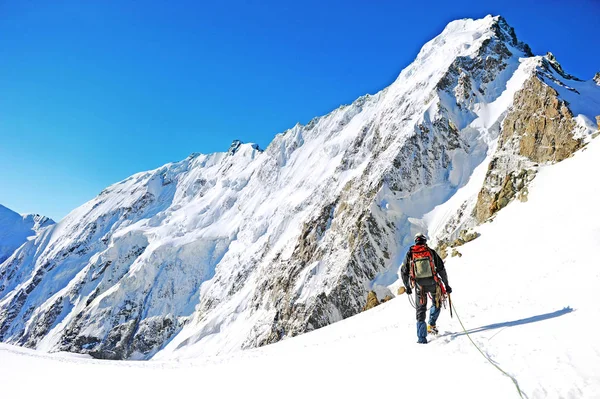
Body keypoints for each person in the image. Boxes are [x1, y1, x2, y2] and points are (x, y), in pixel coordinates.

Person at [401, 233, 452, 344]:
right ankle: (432, 324)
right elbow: (441, 269)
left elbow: (404, 271)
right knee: (437, 303)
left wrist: (407, 287)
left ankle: (421, 339)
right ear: (424, 241)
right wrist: (446, 285)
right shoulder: (431, 252)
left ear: (416, 241)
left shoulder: (410, 253)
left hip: (420, 286)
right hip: (433, 283)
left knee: (420, 311)